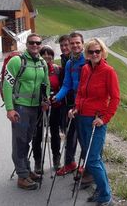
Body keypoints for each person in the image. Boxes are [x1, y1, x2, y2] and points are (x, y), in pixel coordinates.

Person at [69, 38, 120, 206]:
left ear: (103, 52)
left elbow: (115, 98)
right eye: (91, 52)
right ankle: (101, 190)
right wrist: (76, 107)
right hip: (81, 117)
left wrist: (104, 119)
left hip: (96, 121)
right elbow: (80, 93)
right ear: (87, 54)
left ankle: (106, 196)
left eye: (98, 51)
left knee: (92, 159)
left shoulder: (109, 71)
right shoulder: (85, 69)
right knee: (94, 157)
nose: (95, 54)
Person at [3, 33, 50, 190]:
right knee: (19, 142)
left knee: (28, 139)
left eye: (38, 43)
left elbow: (46, 83)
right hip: (20, 107)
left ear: (41, 44)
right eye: (31, 42)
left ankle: (26, 169)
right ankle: (22, 176)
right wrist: (10, 108)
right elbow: (7, 85)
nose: (35, 45)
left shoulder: (42, 63)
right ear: (27, 43)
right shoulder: (17, 61)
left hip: (36, 108)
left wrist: (45, 101)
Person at [53, 32, 85, 176]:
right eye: (72, 43)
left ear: (82, 44)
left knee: (85, 136)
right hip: (75, 104)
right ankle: (71, 163)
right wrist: (56, 98)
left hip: (87, 105)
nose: (74, 46)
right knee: (71, 133)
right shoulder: (70, 63)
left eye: (77, 43)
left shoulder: (89, 59)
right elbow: (66, 85)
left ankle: (87, 166)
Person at [32, 45, 62, 172]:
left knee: (55, 134)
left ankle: (56, 159)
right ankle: (38, 162)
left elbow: (62, 86)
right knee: (37, 135)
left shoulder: (57, 70)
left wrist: (57, 96)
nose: (46, 56)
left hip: (55, 106)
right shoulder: (35, 69)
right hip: (38, 107)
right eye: (43, 54)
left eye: (49, 54)